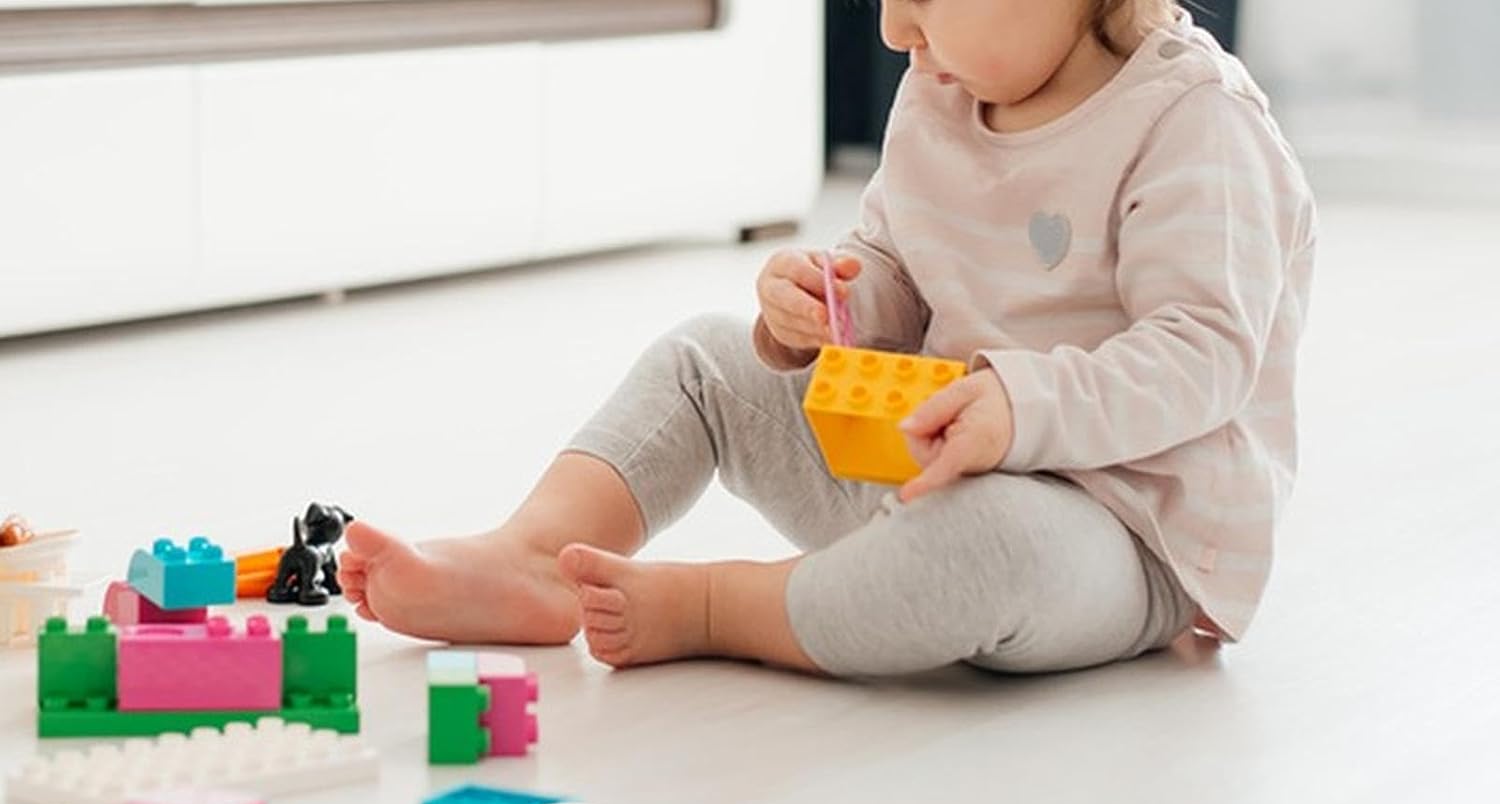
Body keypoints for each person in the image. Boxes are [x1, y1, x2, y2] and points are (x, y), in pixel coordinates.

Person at [340, 0, 1315, 678]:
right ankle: (538, 556)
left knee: (987, 543)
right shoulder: (938, 85)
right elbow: (896, 266)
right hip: (925, 462)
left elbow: (1204, 354)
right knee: (705, 358)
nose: (894, 30)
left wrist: (1020, 408)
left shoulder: (1196, 122)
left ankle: (721, 607)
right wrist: (827, 304)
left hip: (1115, 530)